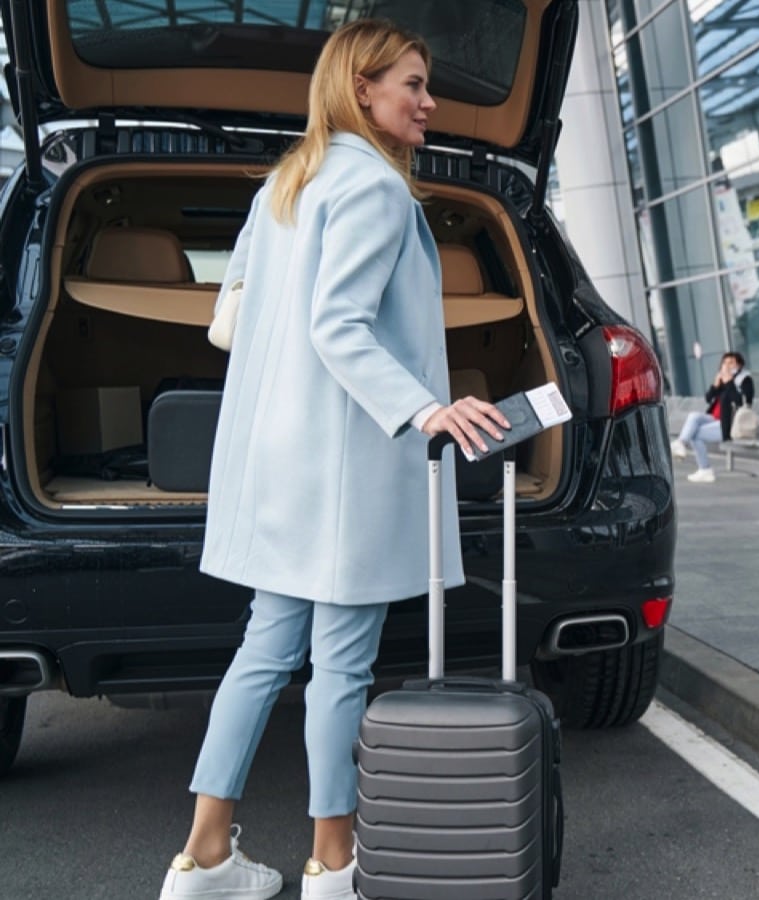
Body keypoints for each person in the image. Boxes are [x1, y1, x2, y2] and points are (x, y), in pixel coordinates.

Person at [157, 20, 510, 900]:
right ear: (363, 89)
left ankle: (202, 860)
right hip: (343, 464)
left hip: (279, 457)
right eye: (413, 85)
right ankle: (334, 865)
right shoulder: (377, 191)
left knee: (264, 651)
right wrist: (426, 405)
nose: (429, 102)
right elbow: (338, 325)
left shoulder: (289, 179)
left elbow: (234, 316)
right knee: (341, 665)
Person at [672, 352, 754, 483]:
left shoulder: (745, 379)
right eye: (725, 363)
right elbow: (708, 398)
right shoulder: (723, 379)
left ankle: (705, 469)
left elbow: (742, 402)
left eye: (731, 362)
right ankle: (681, 443)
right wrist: (715, 386)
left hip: (730, 424)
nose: (727, 366)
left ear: (739, 365)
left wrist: (729, 383)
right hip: (715, 419)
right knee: (694, 416)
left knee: (695, 434)